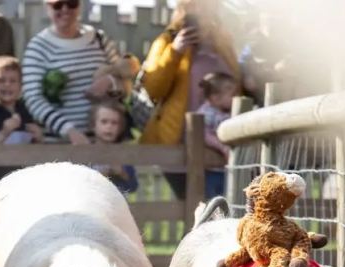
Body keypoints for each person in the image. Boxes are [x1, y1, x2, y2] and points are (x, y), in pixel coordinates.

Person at [138, 0, 242, 199]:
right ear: (182, 9)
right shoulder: (167, 41)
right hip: (182, 143)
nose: (200, 10)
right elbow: (152, 89)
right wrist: (175, 51)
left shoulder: (223, 42)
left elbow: (237, 83)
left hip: (225, 144)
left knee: (225, 208)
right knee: (197, 209)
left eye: (206, 4)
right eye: (192, 5)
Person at [21, 0, 119, 144]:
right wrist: (69, 131)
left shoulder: (99, 39)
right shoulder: (38, 47)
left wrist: (110, 81)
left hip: (103, 143)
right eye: (58, 5)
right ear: (47, 7)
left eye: (71, 3)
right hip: (59, 143)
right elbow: (33, 98)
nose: (65, 9)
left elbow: (122, 77)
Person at [0, 55, 41, 145]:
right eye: (1, 81)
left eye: (13, 81)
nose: (7, 85)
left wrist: (38, 139)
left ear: (21, 86)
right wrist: (4, 132)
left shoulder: (27, 112)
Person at [197, 72, 238, 199]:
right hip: (212, 170)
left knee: (231, 199)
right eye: (232, 95)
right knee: (214, 202)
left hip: (229, 169)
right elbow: (203, 134)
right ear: (215, 98)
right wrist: (221, 146)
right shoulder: (206, 113)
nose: (236, 98)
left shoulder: (232, 112)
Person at [87, 100, 137, 194]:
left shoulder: (123, 155)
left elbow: (133, 187)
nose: (109, 126)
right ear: (93, 125)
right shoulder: (86, 153)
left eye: (114, 123)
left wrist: (121, 172)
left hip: (116, 205)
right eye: (104, 122)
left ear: (120, 128)